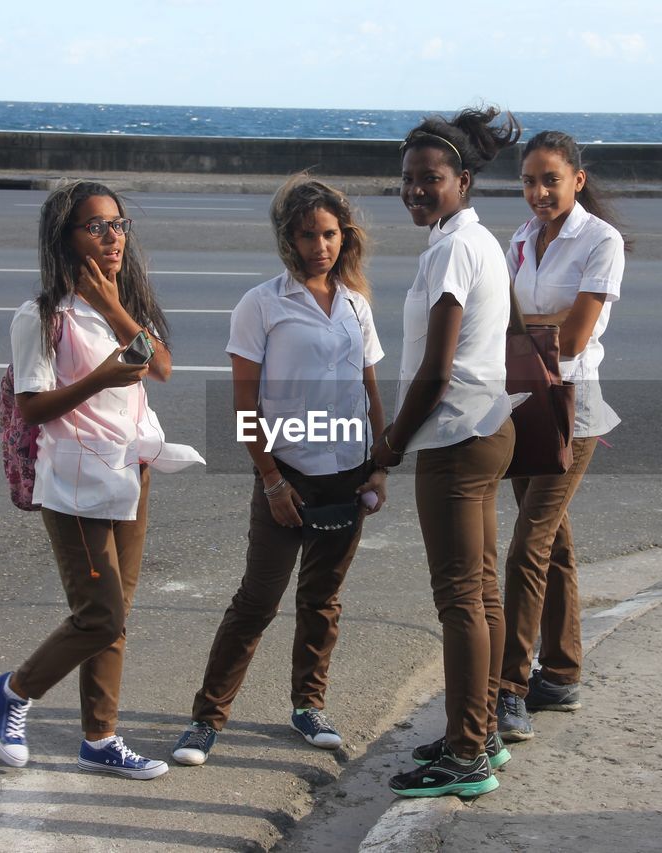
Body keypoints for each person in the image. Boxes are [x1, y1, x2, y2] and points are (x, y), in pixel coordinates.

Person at [0, 180, 202, 780]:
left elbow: (159, 367)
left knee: (116, 615)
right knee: (99, 614)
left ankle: (100, 738)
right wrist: (100, 380)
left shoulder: (124, 305)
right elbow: (32, 407)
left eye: (119, 225)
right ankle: (14, 690)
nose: (112, 238)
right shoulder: (40, 316)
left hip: (131, 470)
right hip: (75, 480)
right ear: (67, 237)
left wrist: (113, 308)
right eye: (96, 226)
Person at [172, 176, 387, 767]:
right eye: (308, 235)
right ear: (288, 240)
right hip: (287, 471)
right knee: (257, 600)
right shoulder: (262, 304)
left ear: (345, 236)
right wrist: (271, 479)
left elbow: (370, 391)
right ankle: (206, 719)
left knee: (323, 599)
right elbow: (245, 405)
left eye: (330, 234)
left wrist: (379, 467)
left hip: (347, 472)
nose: (321, 246)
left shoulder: (354, 305)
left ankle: (308, 706)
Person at [372, 106, 521, 798]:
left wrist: (392, 444)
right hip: (487, 428)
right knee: (481, 591)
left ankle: (467, 752)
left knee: (461, 597)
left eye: (429, 179)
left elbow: (435, 367)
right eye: (407, 179)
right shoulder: (475, 241)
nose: (415, 190)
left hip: (456, 437)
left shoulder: (451, 250)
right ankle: (479, 729)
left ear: (463, 179)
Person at [495, 130, 627, 742]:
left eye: (551, 179)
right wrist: (526, 328)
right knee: (556, 546)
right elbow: (504, 321)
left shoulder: (601, 240)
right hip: (526, 404)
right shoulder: (521, 239)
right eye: (528, 181)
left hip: (573, 409)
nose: (539, 192)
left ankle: (511, 687)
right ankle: (564, 672)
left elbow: (572, 339)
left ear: (578, 178)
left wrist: (524, 328)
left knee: (529, 546)